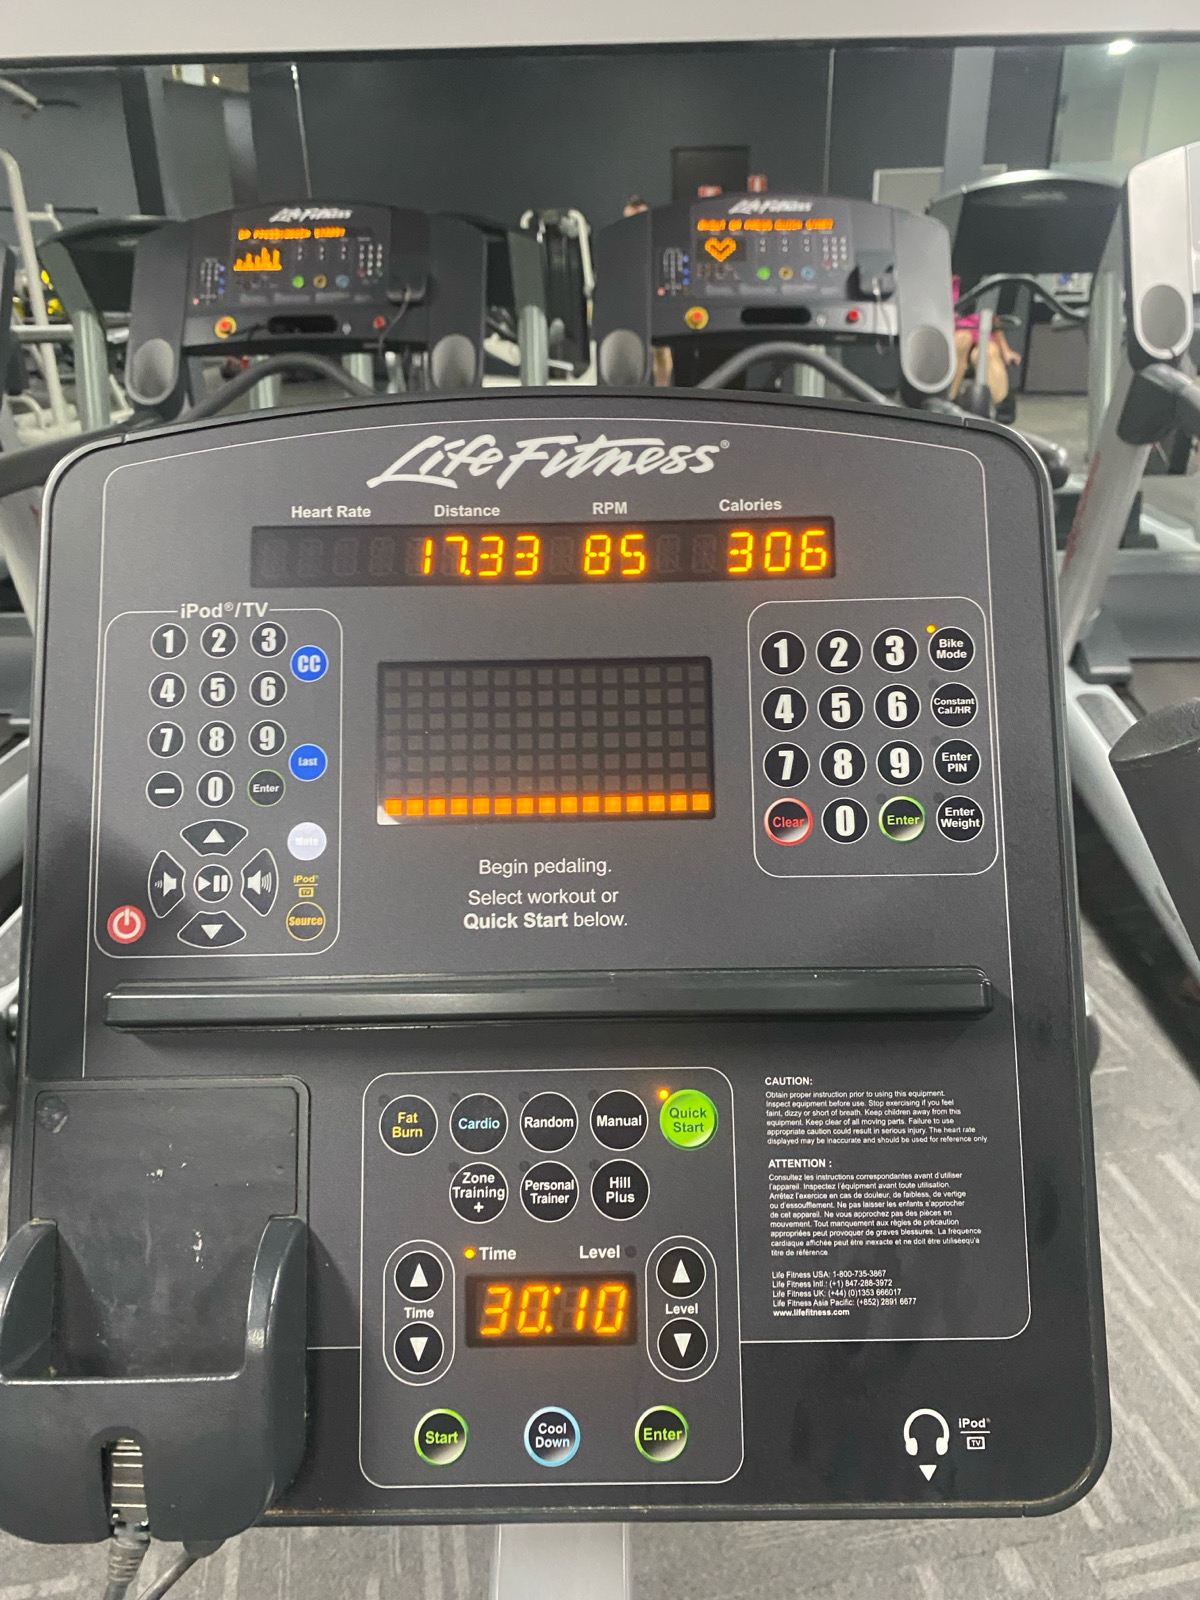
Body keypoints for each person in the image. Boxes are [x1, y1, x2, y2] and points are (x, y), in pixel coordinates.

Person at [623, 195, 672, 385]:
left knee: (661, 354)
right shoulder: (620, 247)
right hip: (631, 309)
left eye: (640, 218)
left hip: (656, 307)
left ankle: (663, 394)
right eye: (631, 219)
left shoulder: (659, 245)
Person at [951, 274, 1020, 408]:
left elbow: (994, 319)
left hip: (982, 331)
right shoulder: (947, 280)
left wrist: (1006, 351)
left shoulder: (991, 282)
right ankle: (948, 399)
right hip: (953, 331)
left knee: (989, 352)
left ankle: (995, 405)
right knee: (962, 340)